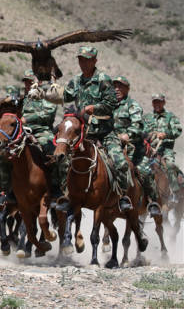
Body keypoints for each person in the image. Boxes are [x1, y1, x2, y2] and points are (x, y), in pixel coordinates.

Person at [29, 46, 133, 212]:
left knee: (120, 162)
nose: (83, 63)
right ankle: (62, 195)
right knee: (60, 159)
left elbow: (111, 103)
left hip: (104, 132)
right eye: (80, 60)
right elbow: (65, 95)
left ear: (94, 61)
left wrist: (94, 107)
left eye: (87, 60)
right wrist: (43, 92)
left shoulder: (103, 79)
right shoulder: (76, 80)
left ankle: (122, 196)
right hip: (82, 133)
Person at [0, 70, 58, 205]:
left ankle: (56, 190)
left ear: (38, 82)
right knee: (1, 157)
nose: (28, 84)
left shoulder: (47, 95)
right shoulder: (25, 98)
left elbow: (49, 113)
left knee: (54, 155)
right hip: (22, 132)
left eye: (31, 81)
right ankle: (8, 191)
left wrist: (27, 118)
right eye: (26, 82)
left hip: (42, 131)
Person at [112, 76, 160, 216]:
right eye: (114, 86)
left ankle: (152, 201)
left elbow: (137, 125)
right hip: (111, 144)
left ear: (127, 89)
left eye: (120, 86)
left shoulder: (133, 105)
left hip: (133, 148)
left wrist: (128, 135)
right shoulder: (108, 105)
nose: (117, 89)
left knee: (145, 171)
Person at [142, 94, 183, 202]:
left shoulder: (170, 117)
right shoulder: (147, 117)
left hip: (166, 149)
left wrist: (166, 134)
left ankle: (174, 192)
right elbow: (141, 131)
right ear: (152, 103)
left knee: (169, 165)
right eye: (155, 102)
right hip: (149, 149)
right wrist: (148, 135)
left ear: (164, 103)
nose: (157, 104)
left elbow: (178, 130)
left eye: (159, 102)